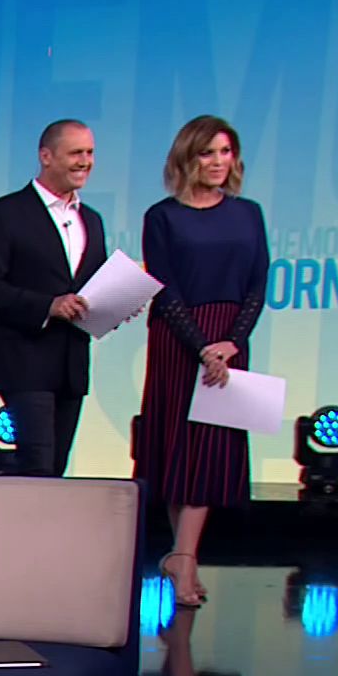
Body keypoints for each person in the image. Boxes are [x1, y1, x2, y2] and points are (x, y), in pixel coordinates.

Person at [132, 116, 269, 607]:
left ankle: (182, 556)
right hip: (179, 340)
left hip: (229, 342)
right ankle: (183, 557)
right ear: (187, 159)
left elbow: (257, 283)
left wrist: (232, 341)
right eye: (207, 153)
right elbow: (164, 288)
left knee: (210, 452)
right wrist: (201, 347)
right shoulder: (162, 217)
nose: (217, 162)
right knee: (179, 450)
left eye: (225, 152)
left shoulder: (248, 214)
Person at [0, 119, 110, 476]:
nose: (85, 161)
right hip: (23, 361)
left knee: (55, 471)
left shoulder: (92, 220)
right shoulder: (2, 214)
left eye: (90, 153)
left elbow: (93, 286)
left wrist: (115, 304)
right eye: (75, 153)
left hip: (72, 365)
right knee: (38, 467)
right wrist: (48, 306)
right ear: (46, 156)